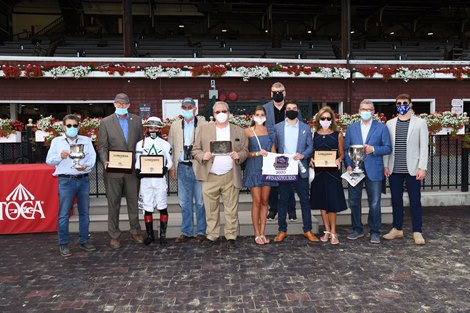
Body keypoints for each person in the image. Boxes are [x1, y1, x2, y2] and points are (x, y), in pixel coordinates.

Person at [192, 101, 248, 249]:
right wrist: (203, 155)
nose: (221, 114)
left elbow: (245, 150)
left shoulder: (239, 131)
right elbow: (195, 150)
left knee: (231, 209)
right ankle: (212, 235)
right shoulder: (203, 130)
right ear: (213, 114)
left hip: (231, 175)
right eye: (218, 112)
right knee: (211, 209)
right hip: (210, 175)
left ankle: (231, 235)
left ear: (229, 113)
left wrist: (239, 155)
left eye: (224, 111)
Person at [46, 114, 96, 257]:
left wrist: (86, 166)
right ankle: (63, 244)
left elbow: (92, 158)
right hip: (66, 180)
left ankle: (84, 240)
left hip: (83, 179)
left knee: (84, 213)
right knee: (63, 214)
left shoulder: (86, 140)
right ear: (63, 127)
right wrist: (60, 157)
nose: (72, 128)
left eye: (74, 125)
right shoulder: (57, 141)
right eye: (69, 125)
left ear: (78, 126)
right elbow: (49, 161)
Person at [98, 93, 144, 249]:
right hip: (113, 170)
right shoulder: (105, 122)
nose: (121, 106)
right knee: (113, 203)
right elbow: (103, 146)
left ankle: (135, 231)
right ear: (114, 104)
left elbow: (141, 144)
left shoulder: (137, 121)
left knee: (133, 202)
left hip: (132, 169)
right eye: (119, 103)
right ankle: (114, 235)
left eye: (124, 104)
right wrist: (105, 160)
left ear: (129, 105)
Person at [344, 100, 392, 244]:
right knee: (354, 200)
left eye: (369, 109)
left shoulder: (381, 128)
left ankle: (375, 231)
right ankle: (357, 229)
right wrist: (348, 165)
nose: (366, 111)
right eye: (363, 109)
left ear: (373, 112)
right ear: (359, 111)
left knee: (375, 203)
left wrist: (374, 149)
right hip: (355, 169)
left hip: (374, 169)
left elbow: (388, 148)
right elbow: (347, 149)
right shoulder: (351, 128)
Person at [383, 94, 429, 245]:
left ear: (410, 104)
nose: (401, 105)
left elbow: (424, 147)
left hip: (413, 169)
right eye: (398, 103)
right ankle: (397, 229)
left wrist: (422, 167)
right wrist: (386, 165)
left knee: (415, 201)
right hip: (395, 168)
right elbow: (387, 147)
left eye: (404, 103)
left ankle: (417, 231)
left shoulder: (420, 123)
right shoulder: (389, 123)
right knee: (396, 200)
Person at [272, 102, 318, 243]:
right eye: (289, 109)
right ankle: (282, 230)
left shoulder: (305, 127)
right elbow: (274, 145)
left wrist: (303, 155)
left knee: (305, 200)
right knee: (283, 201)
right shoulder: (278, 127)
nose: (291, 110)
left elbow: (311, 146)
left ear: (298, 110)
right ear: (285, 111)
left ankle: (308, 230)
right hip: (284, 169)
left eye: (294, 109)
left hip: (300, 168)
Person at [168, 97, 207, 243]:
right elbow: (170, 147)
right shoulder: (175, 125)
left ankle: (202, 231)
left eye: (189, 107)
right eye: (184, 107)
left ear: (195, 109)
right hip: (182, 167)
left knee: (201, 202)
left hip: (198, 166)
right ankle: (187, 231)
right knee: (184, 202)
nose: (187, 109)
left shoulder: (204, 124)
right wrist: (172, 166)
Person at [309, 106, 347, 245]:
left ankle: (333, 231)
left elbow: (342, 153)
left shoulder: (338, 134)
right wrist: (311, 159)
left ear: (332, 120)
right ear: (319, 119)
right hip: (319, 173)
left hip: (333, 173)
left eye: (328, 118)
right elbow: (311, 152)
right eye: (323, 118)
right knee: (322, 202)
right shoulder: (314, 134)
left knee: (332, 202)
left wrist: (339, 159)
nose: (325, 120)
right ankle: (326, 231)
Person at [135, 117, 173, 246]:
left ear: (160, 129)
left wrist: (165, 168)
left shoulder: (165, 144)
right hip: (145, 180)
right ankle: (150, 235)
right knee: (147, 208)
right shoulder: (140, 144)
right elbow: (137, 161)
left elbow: (170, 161)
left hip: (159, 180)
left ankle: (162, 236)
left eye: (156, 128)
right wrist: (137, 170)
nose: (153, 130)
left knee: (162, 207)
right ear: (147, 128)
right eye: (151, 128)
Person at [263, 82, 298, 221]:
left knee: (288, 182)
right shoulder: (265, 109)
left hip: (288, 151)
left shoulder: (291, 108)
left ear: (285, 93)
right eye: (275, 92)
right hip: (271, 150)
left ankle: (291, 209)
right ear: (271, 94)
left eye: (280, 91)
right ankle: (273, 209)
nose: (278, 94)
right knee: (273, 182)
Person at [243, 106, 276, 245]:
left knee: (264, 201)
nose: (260, 116)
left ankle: (263, 233)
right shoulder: (247, 131)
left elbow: (274, 152)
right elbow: (244, 153)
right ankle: (256, 234)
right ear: (253, 116)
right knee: (256, 201)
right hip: (254, 168)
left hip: (267, 169)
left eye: (262, 114)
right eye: (257, 114)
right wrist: (257, 153)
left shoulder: (270, 131)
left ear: (266, 116)